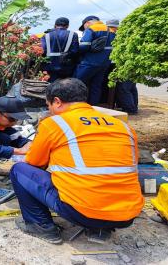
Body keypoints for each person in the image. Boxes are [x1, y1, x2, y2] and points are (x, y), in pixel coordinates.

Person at [10, 78, 143, 245]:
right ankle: (100, 228)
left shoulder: (55, 123)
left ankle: (41, 227)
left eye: (48, 105)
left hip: (83, 212)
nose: (49, 110)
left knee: (19, 170)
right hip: (128, 214)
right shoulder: (123, 126)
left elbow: (34, 162)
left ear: (57, 102)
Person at [74, 16, 115, 105]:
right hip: (104, 64)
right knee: (96, 86)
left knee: (76, 84)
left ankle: (77, 106)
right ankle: (94, 107)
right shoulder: (111, 30)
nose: (84, 29)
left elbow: (84, 46)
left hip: (89, 63)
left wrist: (75, 51)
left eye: (84, 27)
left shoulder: (92, 29)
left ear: (87, 23)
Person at [41, 17, 79, 82]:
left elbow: (43, 50)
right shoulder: (73, 35)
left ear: (55, 25)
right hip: (66, 67)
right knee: (64, 87)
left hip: (49, 66)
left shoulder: (46, 35)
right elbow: (75, 51)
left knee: (50, 86)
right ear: (67, 25)